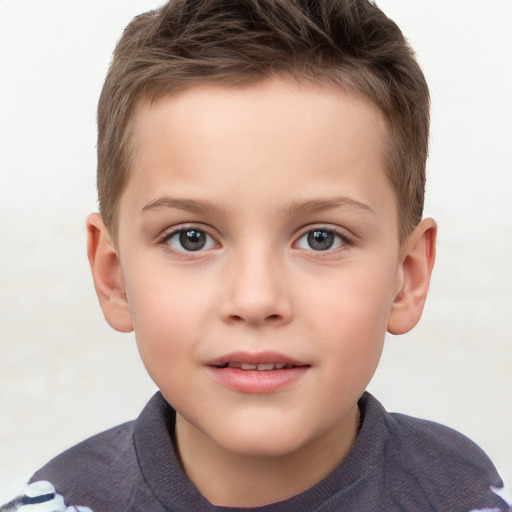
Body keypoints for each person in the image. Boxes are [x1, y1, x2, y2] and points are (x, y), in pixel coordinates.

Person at [1, 0, 510, 511]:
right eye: (191, 238)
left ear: (407, 277)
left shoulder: (465, 498)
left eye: (321, 238)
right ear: (114, 276)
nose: (255, 299)